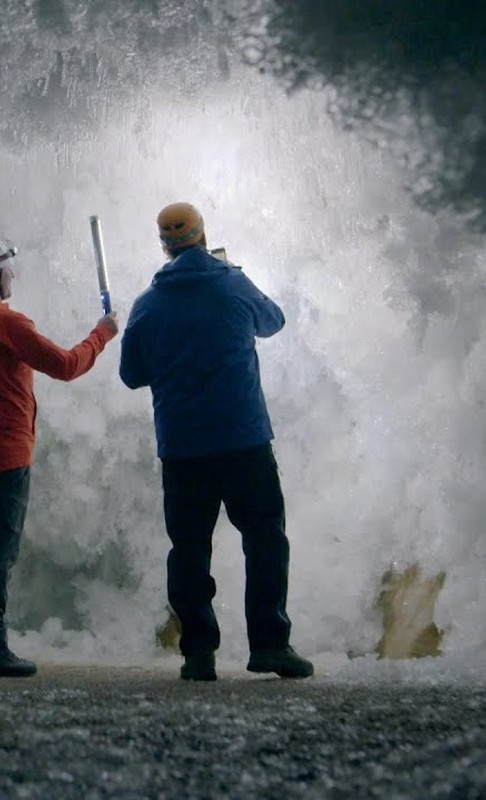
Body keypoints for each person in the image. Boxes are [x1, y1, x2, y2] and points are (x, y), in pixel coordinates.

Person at [119, 202, 313, 682]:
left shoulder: (148, 304)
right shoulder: (232, 283)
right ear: (204, 237)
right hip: (244, 440)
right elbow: (273, 322)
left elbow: (130, 375)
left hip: (183, 448)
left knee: (188, 548)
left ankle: (198, 654)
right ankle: (270, 644)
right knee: (265, 538)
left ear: (163, 246)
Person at [0, 235, 118, 678]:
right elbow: (67, 365)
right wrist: (102, 333)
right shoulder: (1, 322)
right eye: (8, 269)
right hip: (7, 454)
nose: (12, 276)